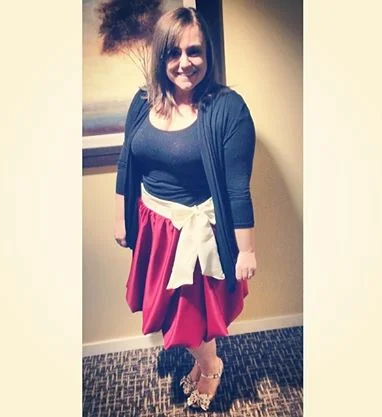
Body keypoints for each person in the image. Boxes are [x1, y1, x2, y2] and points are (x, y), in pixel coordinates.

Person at [114, 6, 257, 411]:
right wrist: (122, 217)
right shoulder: (143, 101)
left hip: (197, 234)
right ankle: (205, 361)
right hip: (153, 227)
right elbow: (127, 162)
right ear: (160, 56)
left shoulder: (228, 108)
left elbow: (237, 188)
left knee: (189, 313)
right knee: (165, 309)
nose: (184, 63)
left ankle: (210, 366)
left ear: (207, 54)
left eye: (194, 51)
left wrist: (246, 249)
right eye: (174, 53)